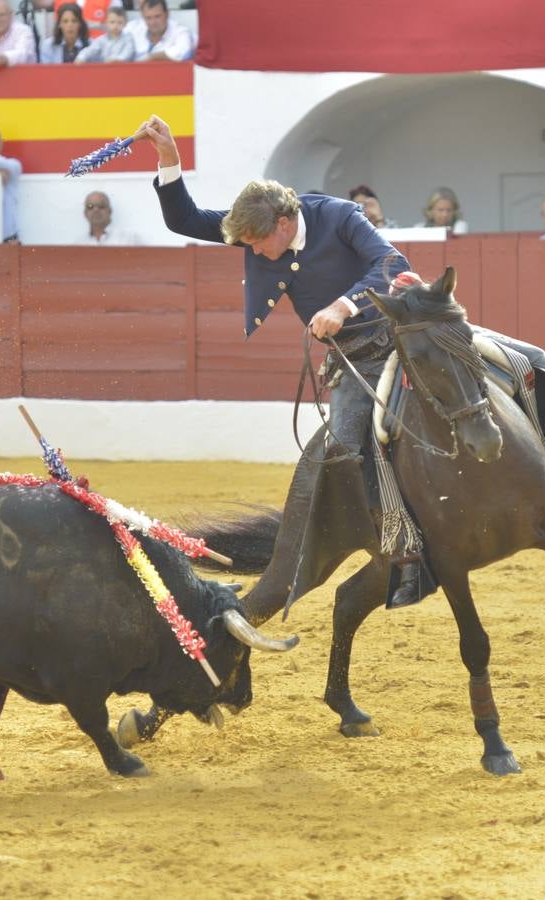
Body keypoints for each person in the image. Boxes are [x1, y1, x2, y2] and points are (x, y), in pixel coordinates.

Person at [135, 112, 429, 606]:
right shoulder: (256, 227)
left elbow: (392, 263)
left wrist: (342, 304)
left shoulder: (340, 216)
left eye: (257, 244)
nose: (253, 252)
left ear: (285, 222)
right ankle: (407, 557)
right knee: (347, 450)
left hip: (399, 337)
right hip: (354, 359)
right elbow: (184, 220)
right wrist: (170, 159)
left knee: (506, 368)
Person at [128, 0, 193, 62]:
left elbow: (184, 52)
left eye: (157, 16)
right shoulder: (133, 29)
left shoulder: (180, 31)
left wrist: (154, 57)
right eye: (148, 18)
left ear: (167, 14)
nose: (153, 22)